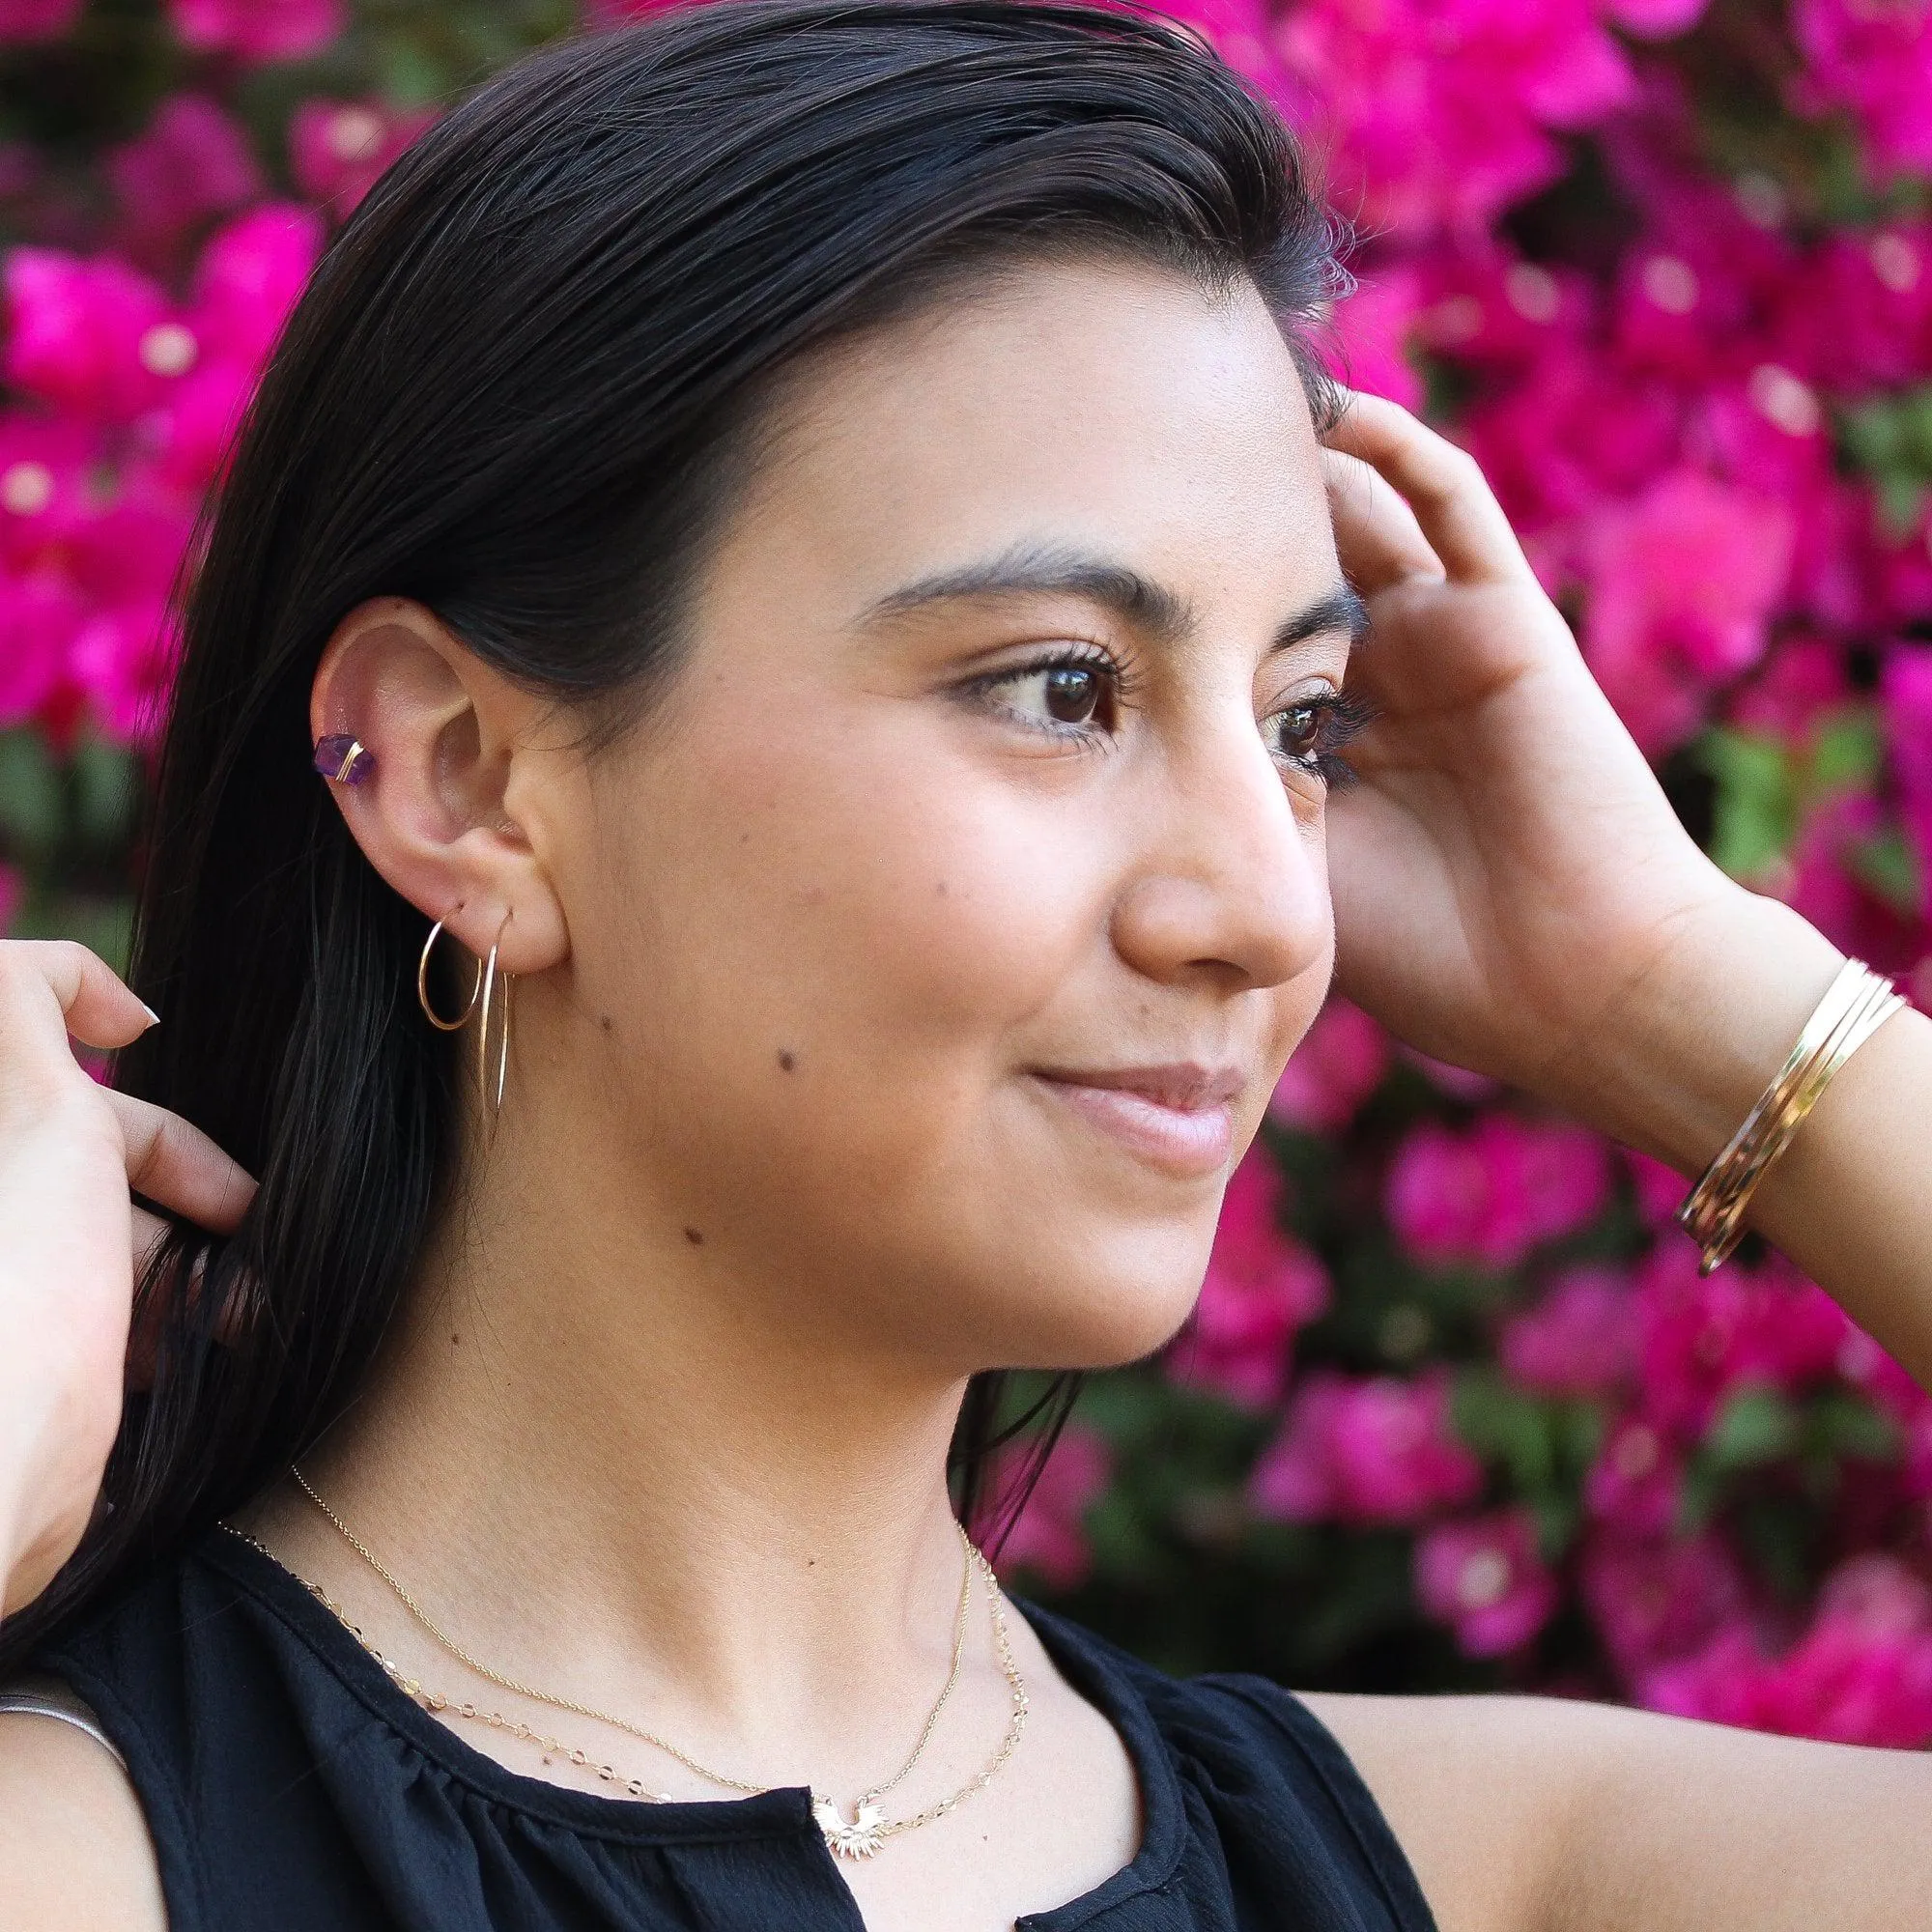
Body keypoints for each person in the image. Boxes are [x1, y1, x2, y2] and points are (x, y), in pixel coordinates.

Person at [0, 2, 1928, 1925]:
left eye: (1305, 727)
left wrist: (1671, 990)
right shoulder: (92, 1861)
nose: (1266, 910)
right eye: (1063, 688)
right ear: (468, 778)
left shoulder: (1474, 1877)